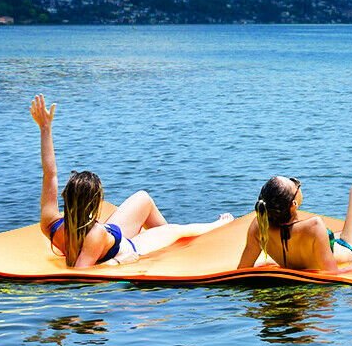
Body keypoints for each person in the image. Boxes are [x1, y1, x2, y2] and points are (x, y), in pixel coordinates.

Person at [31, 94, 232, 268]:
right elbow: (81, 273)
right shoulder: (94, 234)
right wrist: (120, 261)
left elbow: (50, 175)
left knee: (143, 198)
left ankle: (168, 243)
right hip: (127, 247)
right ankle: (218, 225)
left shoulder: (50, 221)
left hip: (110, 237)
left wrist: (45, 129)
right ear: (94, 202)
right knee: (175, 230)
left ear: (66, 196)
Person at [237, 176, 352, 273]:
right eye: (296, 185)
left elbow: (242, 269)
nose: (298, 185)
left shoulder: (259, 226)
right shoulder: (313, 227)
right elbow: (333, 274)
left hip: (330, 246)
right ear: (293, 204)